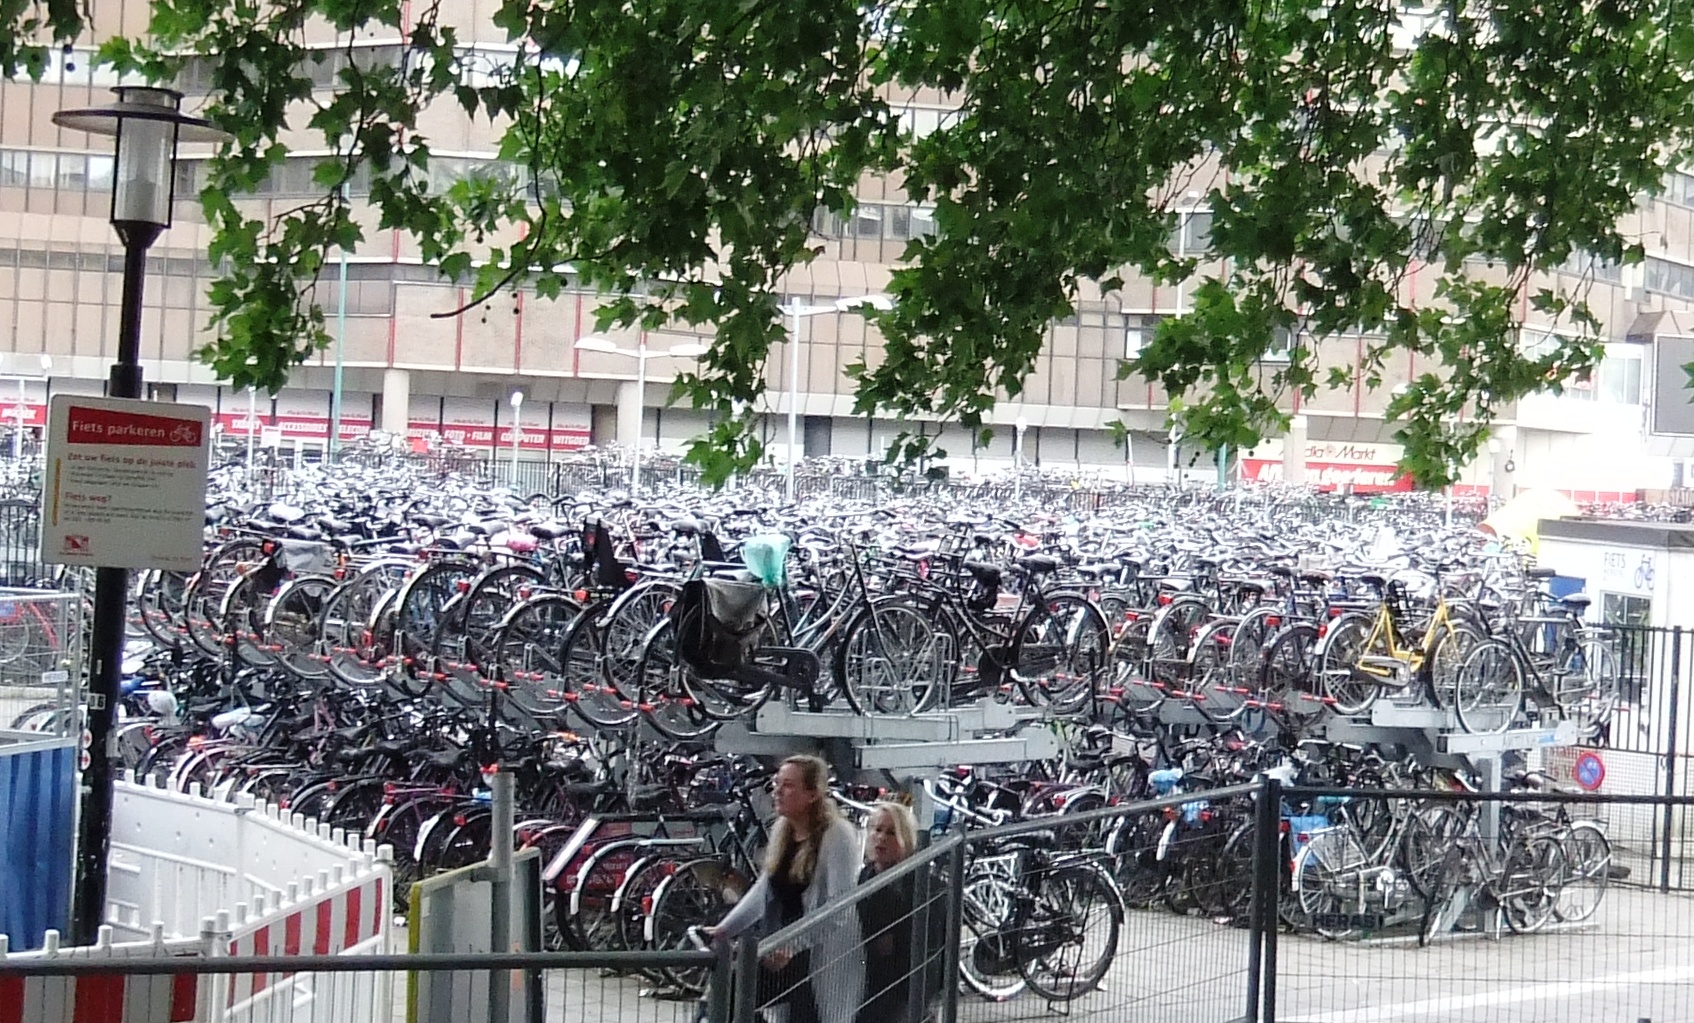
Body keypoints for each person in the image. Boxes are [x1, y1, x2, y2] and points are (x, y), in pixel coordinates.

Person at [708, 755, 863, 1023]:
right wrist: (725, 929)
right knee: (730, 993)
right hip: (777, 947)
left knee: (735, 990)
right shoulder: (784, 830)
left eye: (788, 785)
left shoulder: (837, 834)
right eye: (777, 783)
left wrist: (791, 945)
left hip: (810, 952)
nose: (777, 791)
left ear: (813, 794)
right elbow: (765, 889)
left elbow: (839, 908)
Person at [856, 801, 919, 1023]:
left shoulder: (911, 883)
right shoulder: (867, 873)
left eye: (891, 833)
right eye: (877, 829)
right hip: (863, 976)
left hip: (896, 986)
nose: (881, 838)